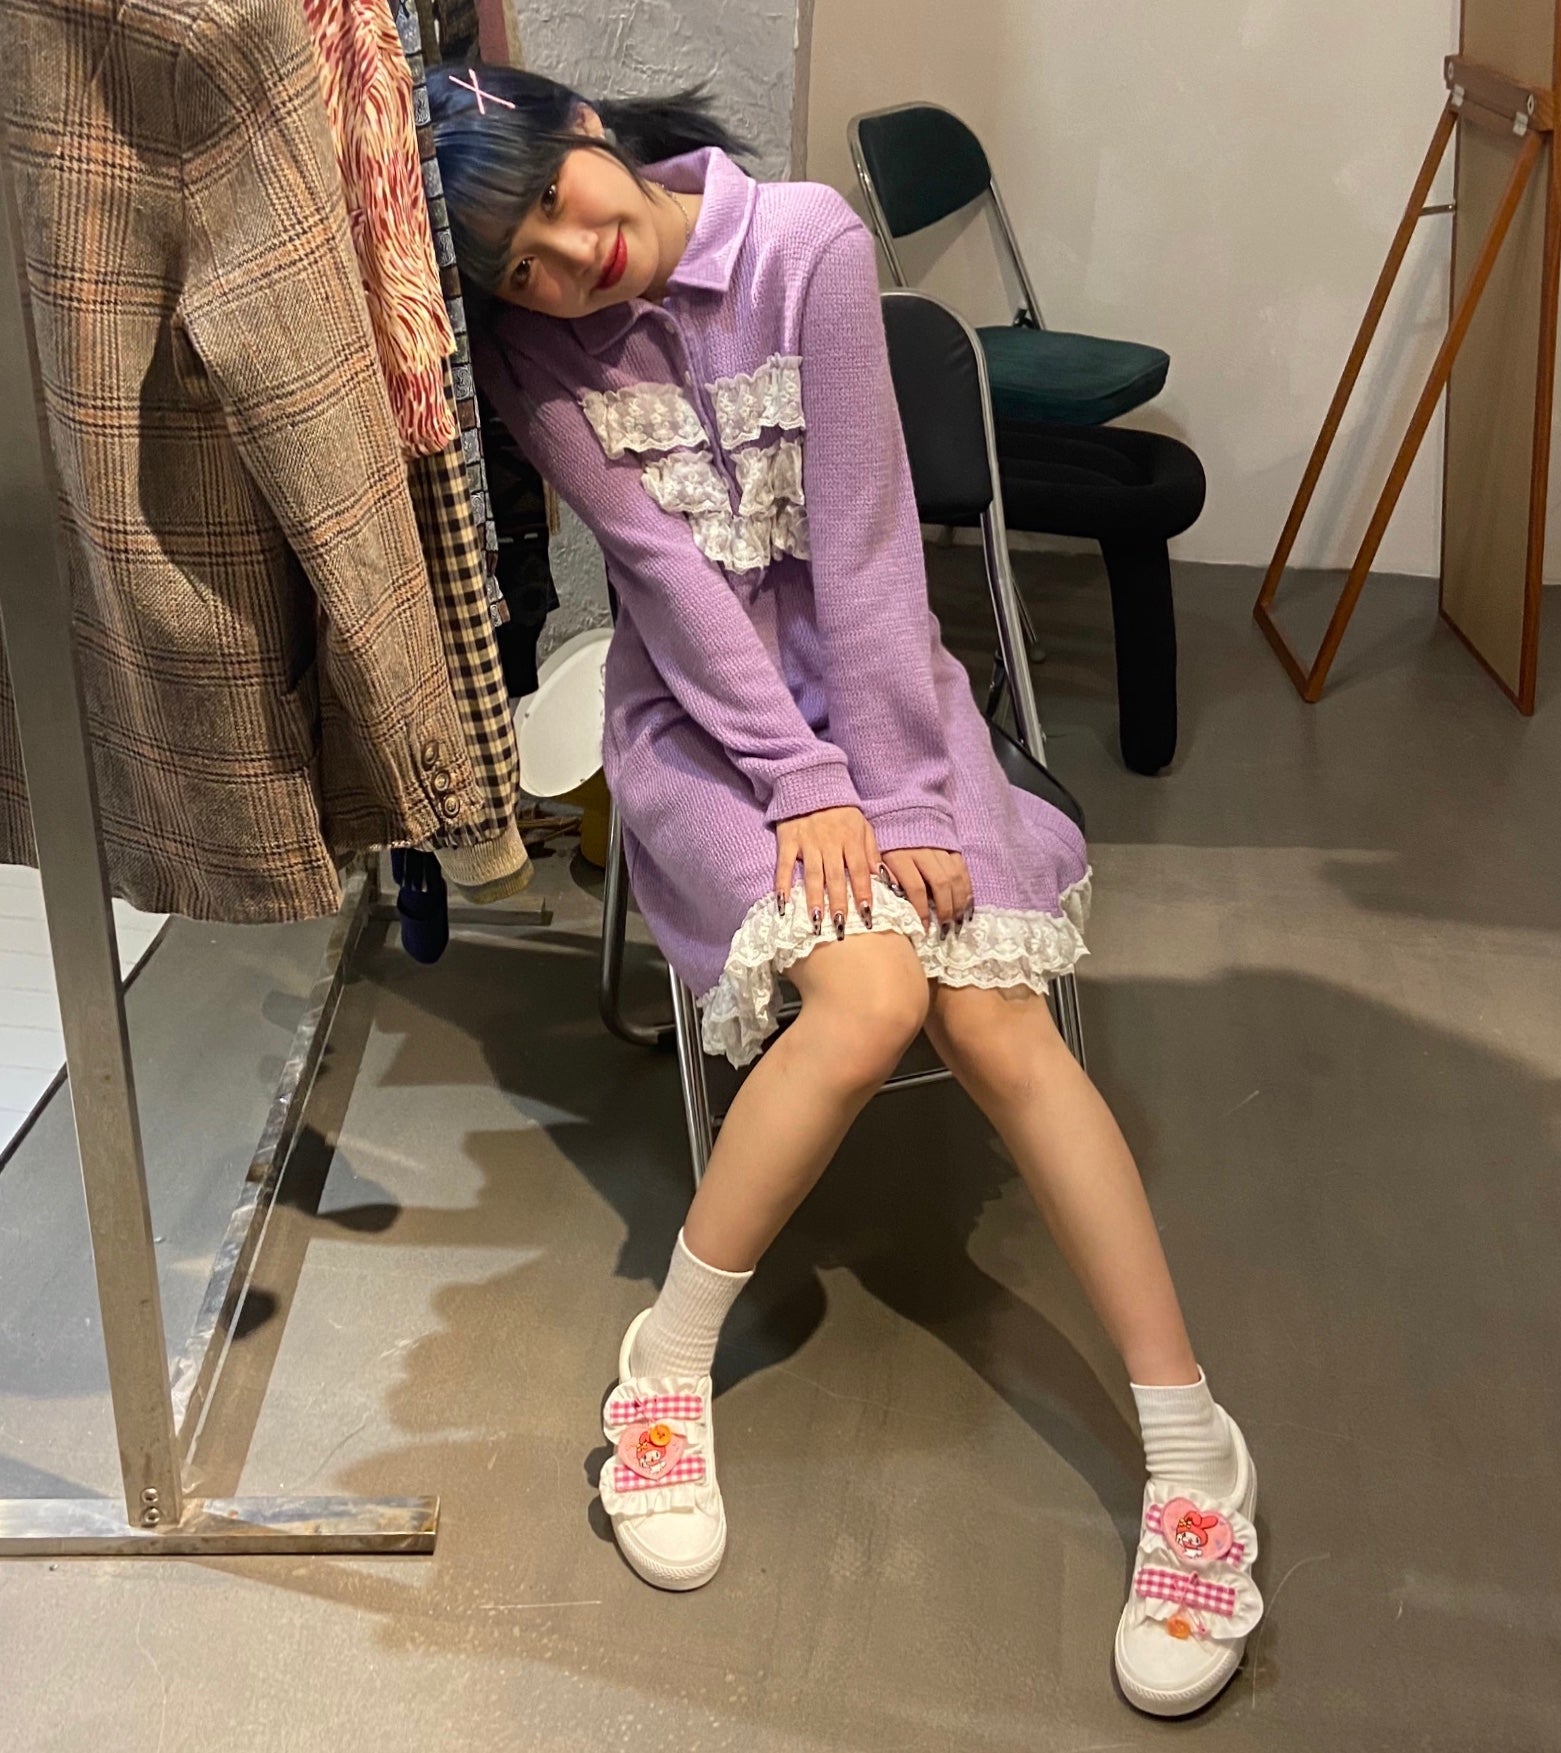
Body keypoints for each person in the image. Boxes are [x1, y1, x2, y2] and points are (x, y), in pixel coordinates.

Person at [430, 64, 1263, 1717]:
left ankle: (1193, 1448)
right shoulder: (533, 351)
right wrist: (800, 784)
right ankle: (664, 1364)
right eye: (517, 264)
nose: (565, 262)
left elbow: (874, 551)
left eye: (550, 209)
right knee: (870, 998)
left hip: (889, 704)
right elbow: (665, 586)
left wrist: (891, 788)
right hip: (705, 726)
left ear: (585, 133)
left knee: (993, 1016)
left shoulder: (804, 242)